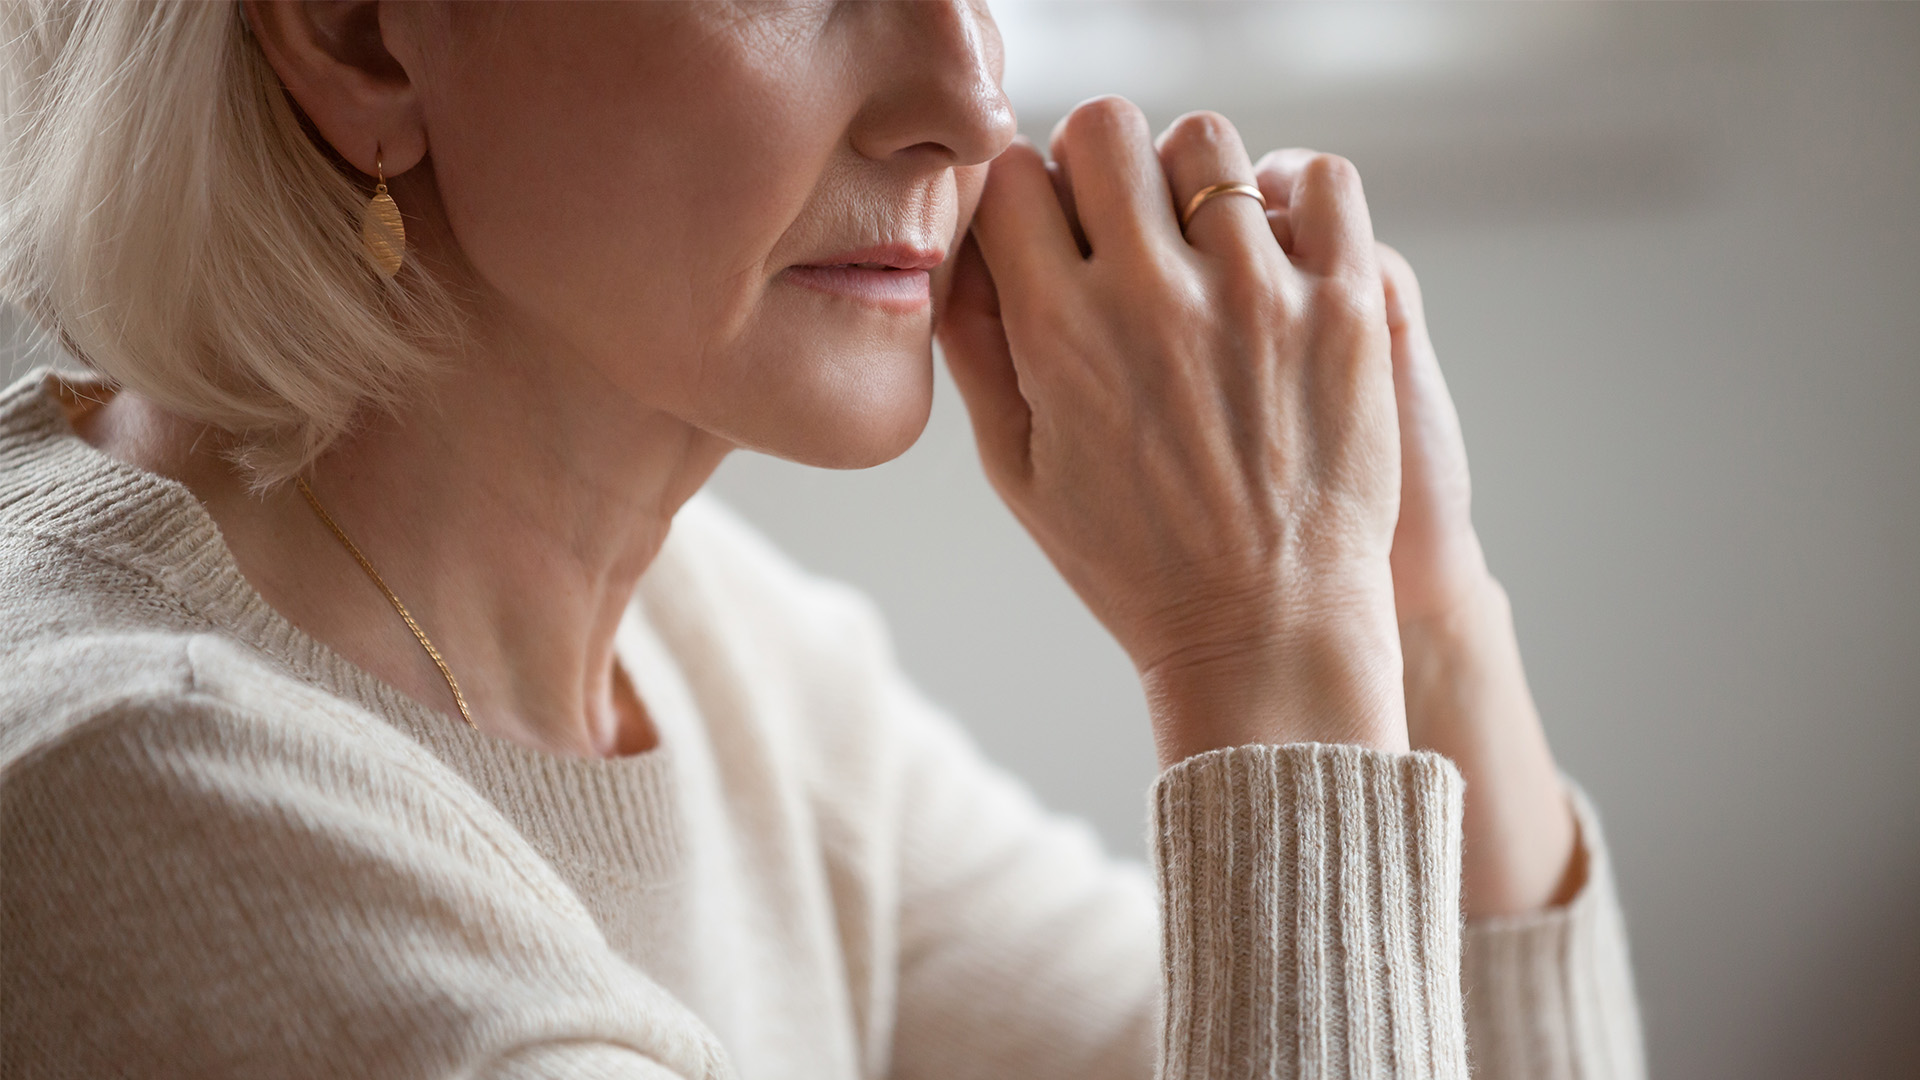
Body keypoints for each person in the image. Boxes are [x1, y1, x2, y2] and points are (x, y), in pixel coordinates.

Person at [0, 3, 1644, 1077]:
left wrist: (1417, 610)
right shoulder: (150, 800)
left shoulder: (709, 644)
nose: (967, 99)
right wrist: (1266, 640)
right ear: (359, 37)